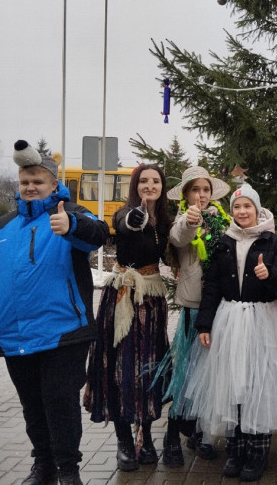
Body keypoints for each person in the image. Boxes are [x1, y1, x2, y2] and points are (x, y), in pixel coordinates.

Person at [0, 139, 109, 485]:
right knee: (32, 406)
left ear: (53, 183)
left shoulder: (69, 214)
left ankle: (68, 469)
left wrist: (72, 227)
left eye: (38, 181)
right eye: (24, 181)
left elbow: (98, 234)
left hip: (63, 332)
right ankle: (43, 465)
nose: (30, 187)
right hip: (13, 334)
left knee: (60, 404)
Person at [178, 184, 277, 482]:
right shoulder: (225, 242)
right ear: (232, 211)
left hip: (263, 319)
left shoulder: (272, 242)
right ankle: (236, 450)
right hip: (229, 319)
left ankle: (257, 453)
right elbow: (212, 285)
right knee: (232, 384)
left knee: (258, 384)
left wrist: (270, 275)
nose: (242, 212)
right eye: (237, 207)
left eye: (247, 207)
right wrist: (205, 324)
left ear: (257, 210)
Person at [83, 163, 172, 473]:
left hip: (152, 302)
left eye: (155, 181)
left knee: (147, 369)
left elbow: (176, 251)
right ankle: (123, 441)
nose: (149, 185)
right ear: (135, 186)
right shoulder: (125, 213)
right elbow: (123, 224)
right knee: (118, 368)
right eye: (143, 181)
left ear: (162, 186)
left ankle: (145, 436)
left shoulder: (166, 220)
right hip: (121, 298)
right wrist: (135, 219)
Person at [155, 166, 230, 466]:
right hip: (193, 306)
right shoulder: (184, 218)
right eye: (195, 190)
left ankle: (198, 431)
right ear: (186, 194)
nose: (201, 195)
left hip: (220, 306)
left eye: (205, 189)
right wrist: (189, 220)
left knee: (208, 373)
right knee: (185, 373)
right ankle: (172, 435)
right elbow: (178, 238)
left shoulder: (223, 220)